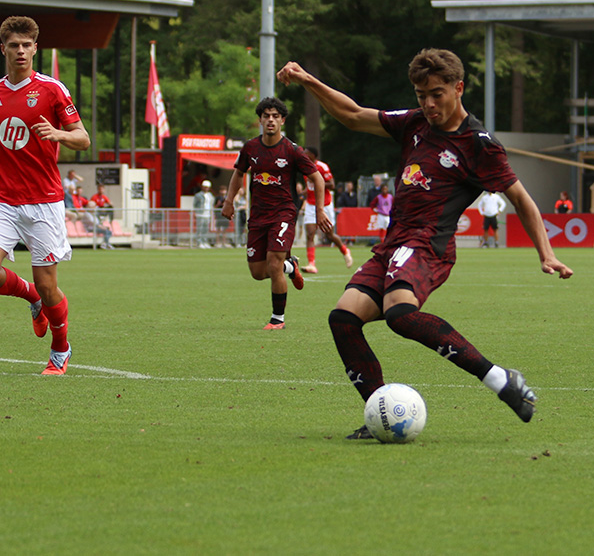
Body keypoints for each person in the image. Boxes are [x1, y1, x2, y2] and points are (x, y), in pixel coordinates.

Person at [278, 48, 573, 438]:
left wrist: (546, 253)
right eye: (421, 95)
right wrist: (308, 80)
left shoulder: (478, 144)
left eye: (437, 94)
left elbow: (520, 198)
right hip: (392, 244)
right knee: (344, 319)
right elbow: (352, 115)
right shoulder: (414, 124)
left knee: (401, 314)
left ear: (458, 88)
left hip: (427, 247)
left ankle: (500, 378)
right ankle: (380, 412)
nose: (429, 104)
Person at [0, 15, 90, 375]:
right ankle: (31, 297)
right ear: (3, 49)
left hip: (44, 201)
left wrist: (60, 135)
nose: (20, 51)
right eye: (14, 45)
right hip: (3, 199)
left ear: (36, 49)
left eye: (27, 45)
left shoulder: (53, 90)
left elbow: (83, 138)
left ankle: (60, 349)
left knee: (49, 284)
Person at [221, 97, 331, 330]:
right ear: (260, 120)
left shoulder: (292, 150)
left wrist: (320, 210)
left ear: (282, 120)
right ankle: (291, 266)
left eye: (275, 116)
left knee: (273, 263)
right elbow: (238, 174)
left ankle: (277, 319)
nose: (270, 120)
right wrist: (229, 201)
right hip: (258, 216)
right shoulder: (250, 148)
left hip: (283, 213)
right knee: (258, 273)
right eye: (266, 116)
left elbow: (317, 178)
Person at [301, 147, 353, 273]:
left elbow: (332, 185)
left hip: (324, 204)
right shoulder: (303, 166)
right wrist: (303, 191)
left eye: (306, 153)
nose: (304, 155)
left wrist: (317, 180)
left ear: (313, 155)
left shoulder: (322, 167)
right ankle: (311, 264)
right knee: (310, 233)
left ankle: (345, 250)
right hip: (311, 204)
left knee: (329, 234)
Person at [193, 179, 215, 249]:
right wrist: (195, 212)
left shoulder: (210, 195)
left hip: (207, 214)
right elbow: (195, 204)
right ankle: (199, 242)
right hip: (200, 214)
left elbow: (212, 204)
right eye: (205, 186)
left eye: (207, 187)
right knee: (200, 229)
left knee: (205, 229)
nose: (206, 188)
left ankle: (204, 242)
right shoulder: (198, 195)